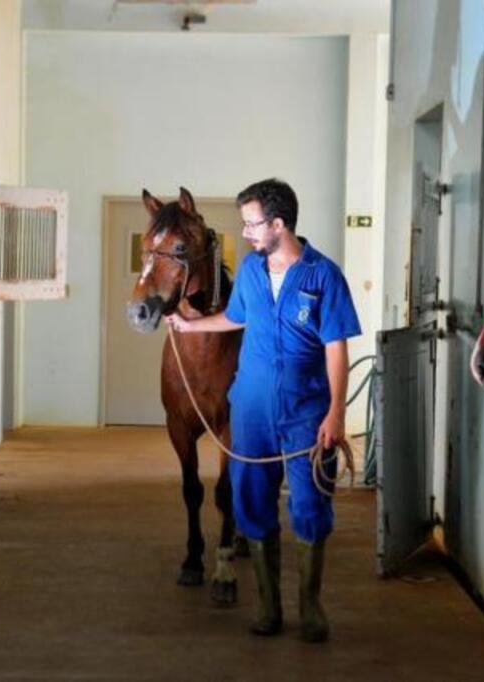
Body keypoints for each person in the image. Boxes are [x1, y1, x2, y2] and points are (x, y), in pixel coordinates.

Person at [165, 178, 360, 642]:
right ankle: (269, 608)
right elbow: (238, 317)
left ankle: (310, 607)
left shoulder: (323, 275)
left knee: (311, 506)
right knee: (251, 502)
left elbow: (336, 349)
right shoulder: (251, 272)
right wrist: (189, 327)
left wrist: (335, 414)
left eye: (252, 224)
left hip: (305, 411)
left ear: (278, 223)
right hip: (249, 409)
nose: (246, 232)